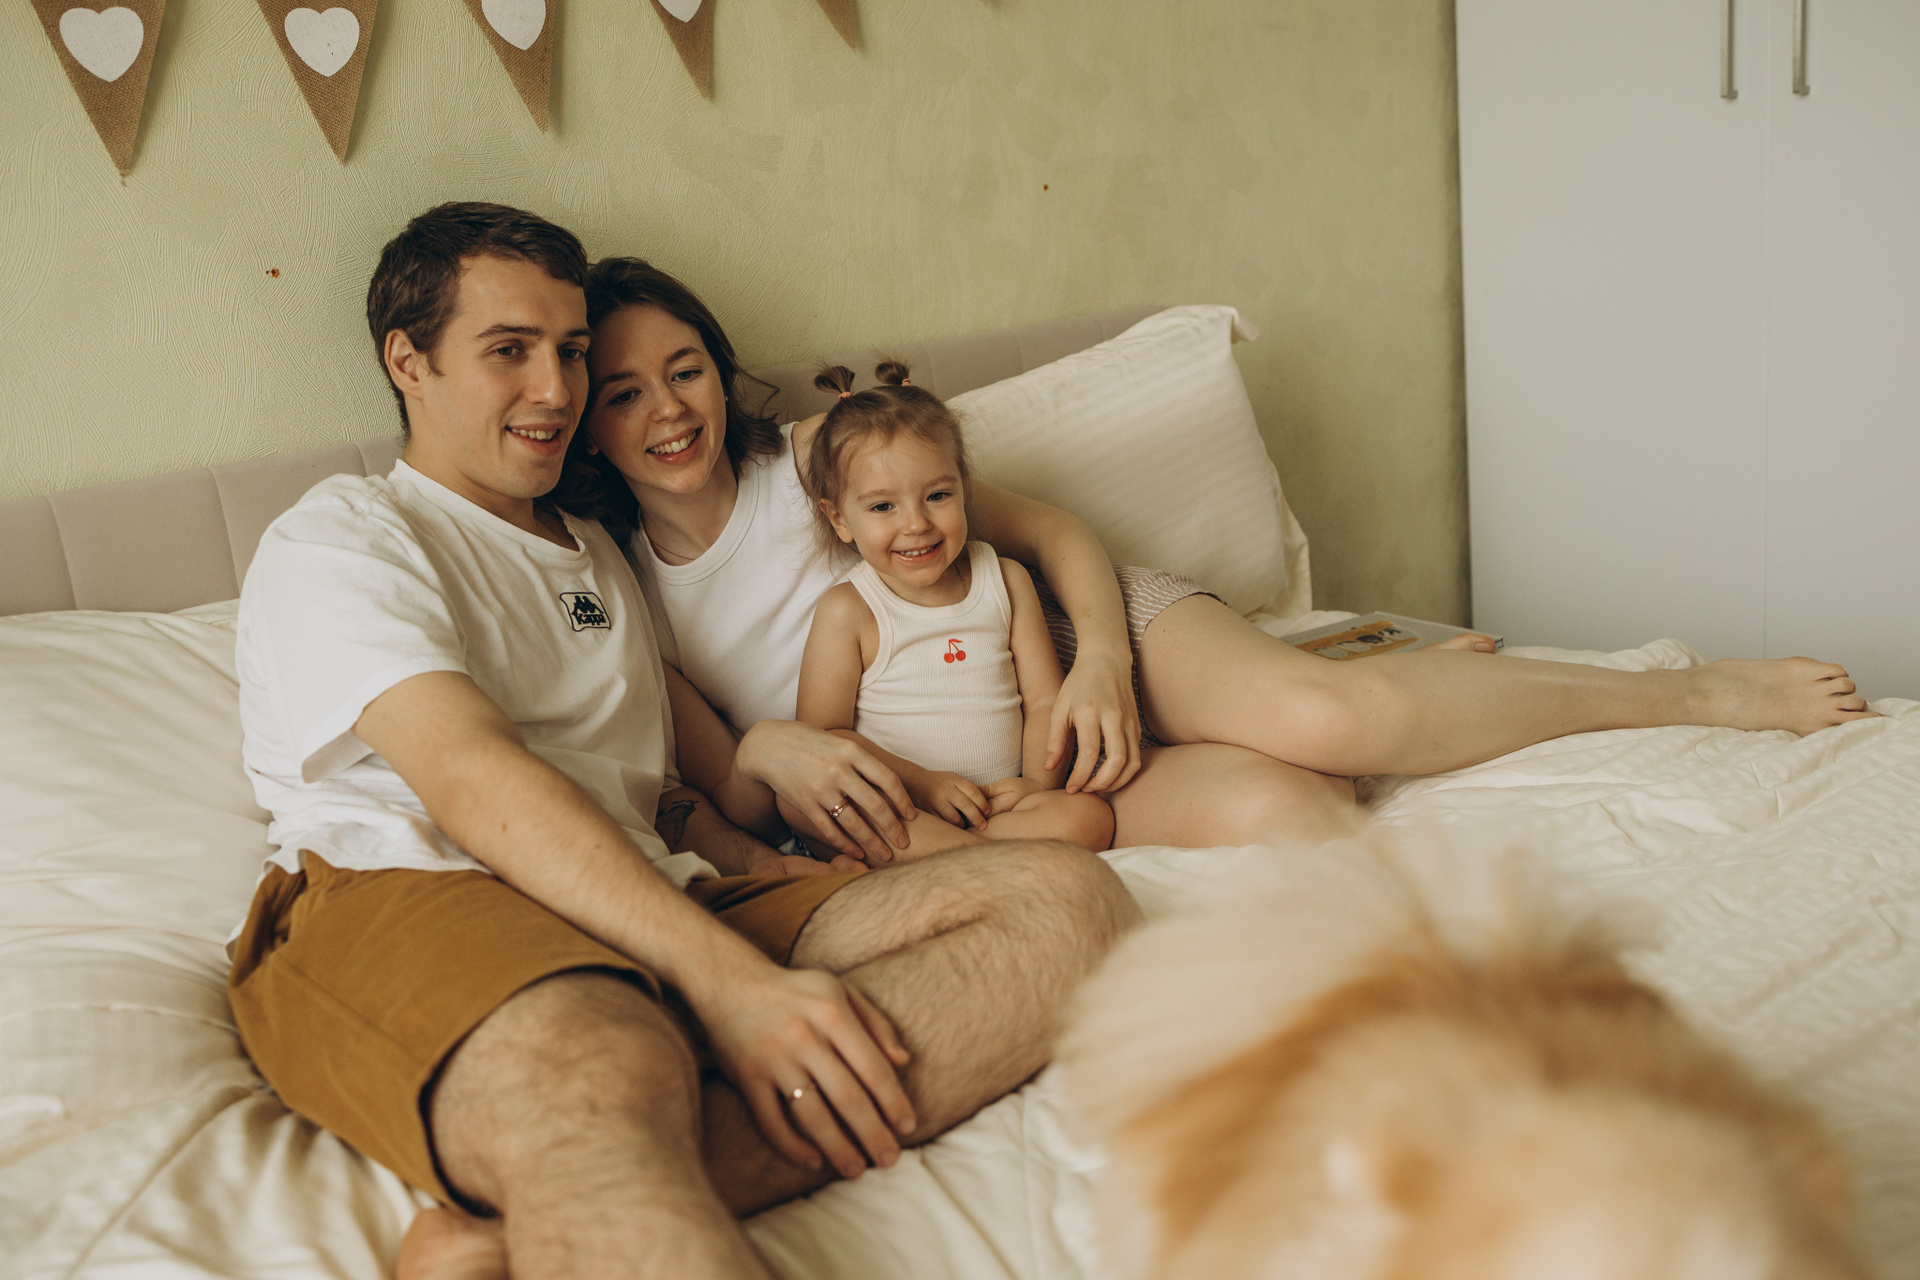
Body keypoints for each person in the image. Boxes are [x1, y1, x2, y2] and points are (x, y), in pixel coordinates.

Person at [227, 202, 1140, 1280]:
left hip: (658, 891)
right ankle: (592, 1149)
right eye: (509, 351)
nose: (556, 389)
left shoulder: (599, 557)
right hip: (420, 888)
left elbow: (665, 790)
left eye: (571, 351)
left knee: (1067, 906)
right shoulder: (348, 534)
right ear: (407, 361)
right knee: (607, 1055)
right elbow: (475, 779)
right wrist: (731, 984)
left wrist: (760, 841)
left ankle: (532, 1211)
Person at [557, 257, 1876, 859]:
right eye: (623, 392)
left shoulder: (825, 462)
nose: (667, 410)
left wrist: (1101, 667)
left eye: (686, 369)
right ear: (586, 425)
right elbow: (731, 783)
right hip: (979, 778)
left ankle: (1694, 691)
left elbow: (1054, 535)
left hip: (1064, 636)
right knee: (1303, 808)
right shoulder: (621, 589)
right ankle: (1349, 673)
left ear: (720, 371)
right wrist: (789, 765)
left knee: (1328, 720)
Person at [788, 361, 1114, 854]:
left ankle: (969, 861)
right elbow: (824, 737)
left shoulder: (1005, 581)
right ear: (839, 518)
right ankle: (975, 861)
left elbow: (1045, 701)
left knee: (1088, 817)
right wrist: (922, 785)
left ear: (964, 486)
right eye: (883, 507)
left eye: (937, 495)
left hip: (999, 812)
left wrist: (1035, 786)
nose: (916, 524)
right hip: (905, 811)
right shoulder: (848, 611)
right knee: (813, 809)